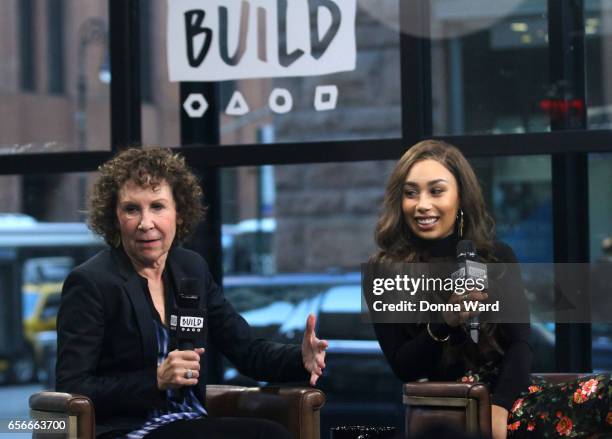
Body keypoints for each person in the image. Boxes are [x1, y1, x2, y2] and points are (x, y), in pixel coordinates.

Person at [56, 147, 328, 439]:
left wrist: (300, 358)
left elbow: (246, 350)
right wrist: (155, 380)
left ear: (179, 214)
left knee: (270, 433)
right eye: (131, 209)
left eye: (157, 207)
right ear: (114, 217)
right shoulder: (91, 282)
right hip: (128, 429)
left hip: (188, 422)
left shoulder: (191, 269)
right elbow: (73, 386)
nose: (145, 223)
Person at [371, 140, 612, 439]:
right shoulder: (387, 269)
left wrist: (500, 408)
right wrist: (444, 323)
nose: (422, 204)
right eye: (411, 193)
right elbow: (404, 366)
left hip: (513, 395)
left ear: (460, 196)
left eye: (436, 191)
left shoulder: (497, 256)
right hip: (458, 406)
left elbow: (520, 345)